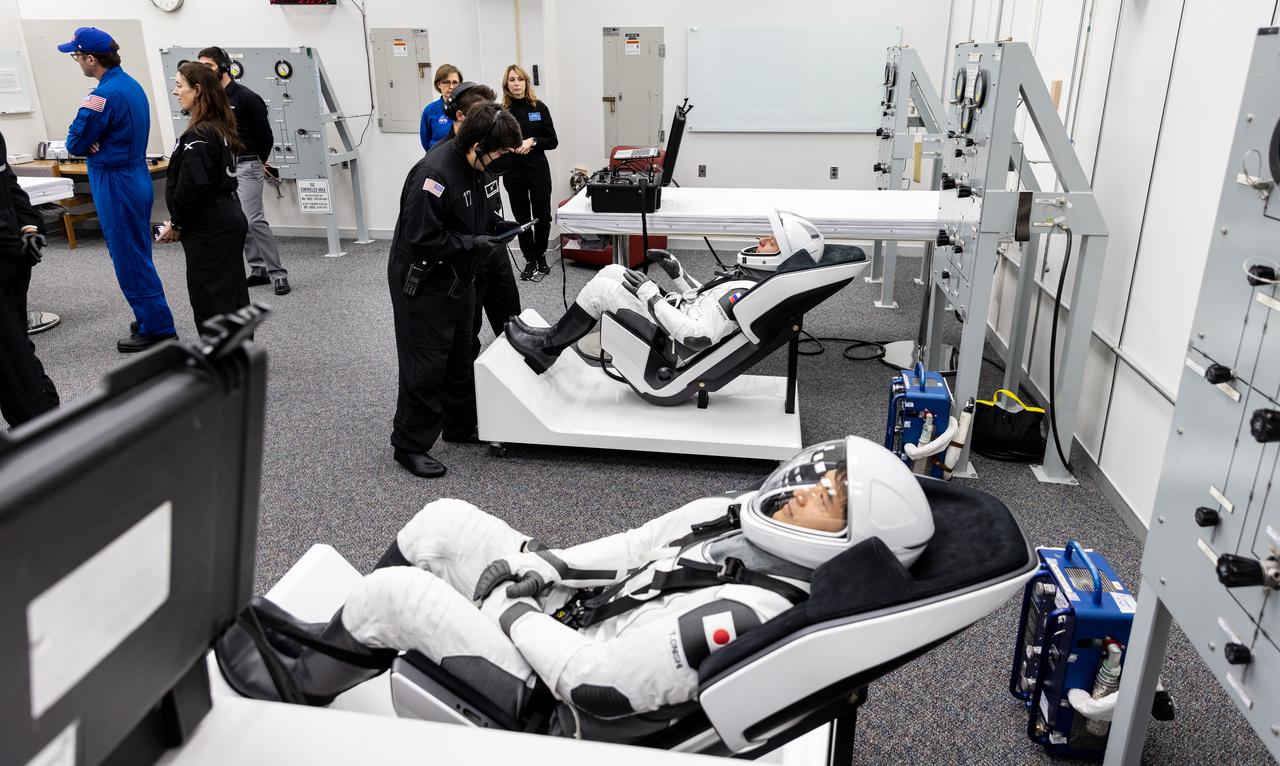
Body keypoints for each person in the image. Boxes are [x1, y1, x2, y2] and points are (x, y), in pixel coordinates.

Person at [214, 436, 935, 733]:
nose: (804, 488)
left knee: (390, 599)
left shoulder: (748, 614)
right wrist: (551, 567)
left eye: (827, 497)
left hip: (555, 700)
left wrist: (512, 607)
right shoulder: (734, 518)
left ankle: (292, 684)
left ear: (848, 540)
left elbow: (596, 688)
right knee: (441, 519)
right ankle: (345, 647)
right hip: (576, 613)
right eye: (820, 473)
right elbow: (636, 548)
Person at [504, 212, 818, 375]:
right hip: (674, 322)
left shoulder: (744, 290)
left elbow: (697, 337)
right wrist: (677, 274)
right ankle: (554, 336)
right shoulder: (754, 281)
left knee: (601, 290)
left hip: (672, 348)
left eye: (771, 241)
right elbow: (705, 304)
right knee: (612, 272)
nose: (762, 240)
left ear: (782, 256)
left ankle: (546, 348)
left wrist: (651, 295)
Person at [386, 102, 523, 479]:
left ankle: (460, 425)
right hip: (424, 282)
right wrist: (474, 245)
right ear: (477, 143)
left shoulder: (473, 167)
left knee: (462, 352)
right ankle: (409, 445)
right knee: (426, 363)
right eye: (498, 152)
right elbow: (423, 238)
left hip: (459, 279)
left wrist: (495, 227)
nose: (499, 161)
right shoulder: (434, 173)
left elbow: (470, 213)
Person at [60, 27, 178, 353]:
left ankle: (158, 328)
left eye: (77, 56)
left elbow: (74, 142)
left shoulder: (101, 95)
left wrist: (88, 143)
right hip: (134, 175)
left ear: (91, 58)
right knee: (136, 252)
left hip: (115, 182)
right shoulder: (130, 85)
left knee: (129, 258)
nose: (77, 62)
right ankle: (149, 316)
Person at [154, 63, 250, 333]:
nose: (175, 92)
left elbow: (192, 187)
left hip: (209, 226)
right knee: (230, 292)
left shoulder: (198, 136)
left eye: (179, 85)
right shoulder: (220, 127)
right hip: (225, 217)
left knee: (210, 296)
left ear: (197, 90)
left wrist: (178, 223)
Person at [429, 82, 522, 359]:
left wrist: (497, 224)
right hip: (466, 258)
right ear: (461, 116)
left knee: (512, 321)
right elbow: (430, 235)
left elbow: (483, 204)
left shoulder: (485, 155)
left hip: (493, 250)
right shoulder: (441, 166)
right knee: (467, 335)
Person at [198, 46, 290, 297]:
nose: (204, 73)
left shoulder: (247, 98)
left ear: (223, 67)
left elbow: (265, 137)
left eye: (209, 67)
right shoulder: (209, 99)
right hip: (223, 165)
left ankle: (278, 273)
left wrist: (259, 161)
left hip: (247, 164)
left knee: (252, 219)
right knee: (238, 220)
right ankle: (258, 269)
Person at [0, 130, 60, 427]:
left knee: (16, 343)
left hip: (12, 260)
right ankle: (36, 423)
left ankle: (42, 418)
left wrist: (29, 227)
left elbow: (9, 186)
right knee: (10, 353)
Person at [500, 64, 558, 280]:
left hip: (538, 170)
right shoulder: (502, 112)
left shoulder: (539, 108)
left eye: (520, 79)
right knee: (522, 220)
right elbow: (495, 142)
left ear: (526, 82)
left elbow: (552, 141)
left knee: (542, 217)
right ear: (506, 84)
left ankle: (541, 255)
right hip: (513, 172)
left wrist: (533, 141)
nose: (516, 83)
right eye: (512, 80)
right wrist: (508, 146)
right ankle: (530, 259)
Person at [419, 64, 462, 152]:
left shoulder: (466, 108)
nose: (451, 87)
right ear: (438, 84)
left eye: (455, 82)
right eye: (446, 82)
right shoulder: (430, 110)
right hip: (437, 158)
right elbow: (425, 141)